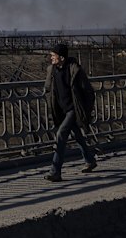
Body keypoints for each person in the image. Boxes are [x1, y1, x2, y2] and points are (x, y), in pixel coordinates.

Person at [43, 43, 97, 182]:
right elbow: (48, 89)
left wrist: (86, 110)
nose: (51, 58)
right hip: (61, 109)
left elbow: (88, 91)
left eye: (53, 56)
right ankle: (90, 160)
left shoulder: (74, 70)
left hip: (73, 109)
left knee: (61, 135)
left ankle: (55, 172)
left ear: (61, 57)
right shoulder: (52, 70)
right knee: (77, 135)